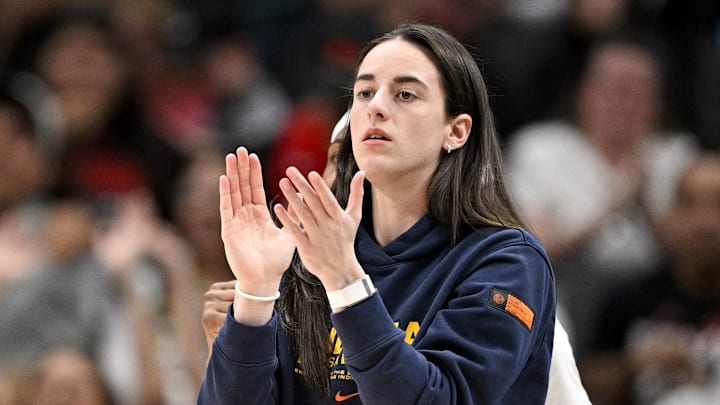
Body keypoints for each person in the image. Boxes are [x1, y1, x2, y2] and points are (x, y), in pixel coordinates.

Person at [198, 23, 556, 404]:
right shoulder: (306, 253)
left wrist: (346, 283)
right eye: (365, 92)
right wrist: (254, 295)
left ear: (457, 131)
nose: (376, 107)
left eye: (405, 94)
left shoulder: (507, 262)